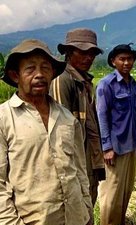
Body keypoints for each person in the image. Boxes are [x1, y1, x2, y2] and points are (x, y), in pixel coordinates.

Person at [0, 39, 93, 225]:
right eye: (30, 68)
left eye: (45, 68)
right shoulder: (3, 120)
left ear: (52, 73)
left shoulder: (66, 119)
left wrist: (88, 216)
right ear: (15, 75)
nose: (39, 74)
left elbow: (80, 172)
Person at [50, 28, 106, 206]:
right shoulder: (63, 80)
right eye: (82, 52)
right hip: (75, 163)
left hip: (89, 158)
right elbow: (60, 131)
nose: (88, 58)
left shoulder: (84, 82)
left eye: (92, 53)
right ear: (68, 52)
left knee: (87, 207)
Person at [96, 43, 136, 225]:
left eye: (129, 59)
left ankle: (120, 221)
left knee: (126, 186)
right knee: (111, 187)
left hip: (131, 143)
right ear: (113, 62)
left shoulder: (133, 85)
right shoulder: (106, 84)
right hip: (115, 146)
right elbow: (101, 116)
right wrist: (106, 146)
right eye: (122, 59)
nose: (126, 62)